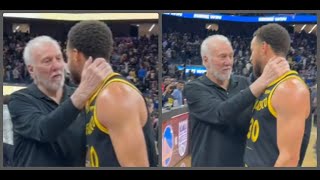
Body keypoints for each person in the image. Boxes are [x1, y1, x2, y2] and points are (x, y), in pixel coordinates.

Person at [183, 34, 290, 167]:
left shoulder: (244, 83)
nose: (228, 62)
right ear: (205, 60)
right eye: (222, 56)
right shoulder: (194, 88)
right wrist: (261, 82)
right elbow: (220, 114)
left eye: (231, 56)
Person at [8, 35, 113, 167]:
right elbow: (44, 131)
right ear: (31, 69)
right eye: (47, 61)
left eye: (59, 58)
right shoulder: (20, 100)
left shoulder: (77, 95)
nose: (56, 66)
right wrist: (83, 92)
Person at [66, 20, 158, 167]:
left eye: (67, 57)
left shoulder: (114, 96)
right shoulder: (96, 93)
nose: (67, 64)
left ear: (75, 54)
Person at [244, 23, 311, 167]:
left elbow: (289, 159)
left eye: (252, 51)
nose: (250, 58)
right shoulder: (266, 84)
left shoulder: (290, 89)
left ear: (263, 48)